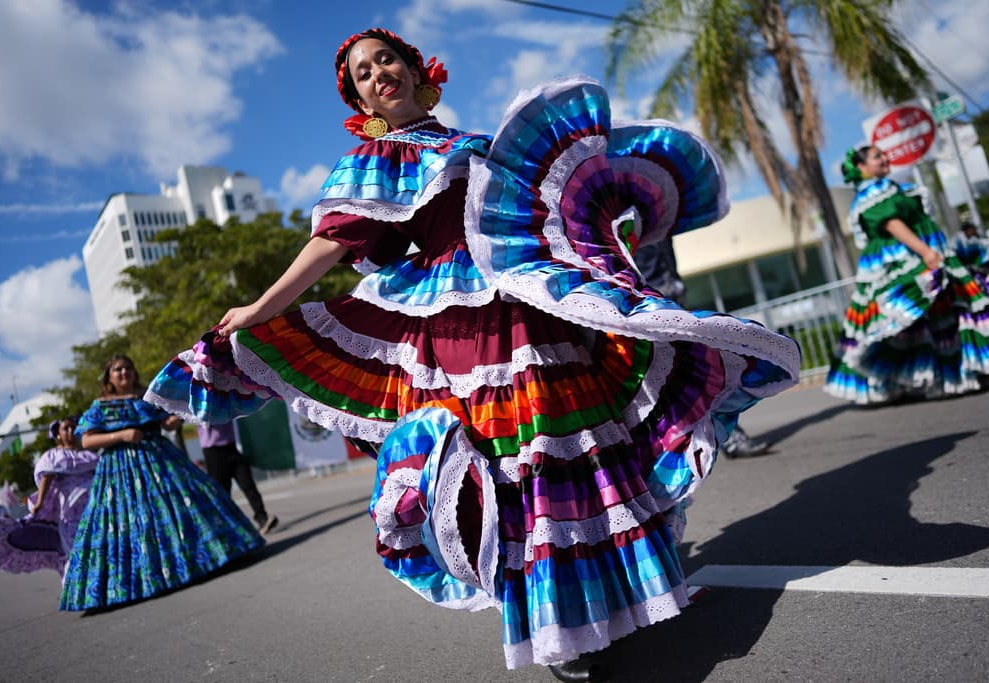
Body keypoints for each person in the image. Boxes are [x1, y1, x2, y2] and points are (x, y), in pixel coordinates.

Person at [146, 29, 799, 681]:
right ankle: (557, 622)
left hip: (529, 302)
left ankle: (629, 586)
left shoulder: (477, 145)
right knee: (510, 459)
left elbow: (550, 208)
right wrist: (259, 309)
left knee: (581, 445)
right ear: (362, 100)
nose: (379, 74)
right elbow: (334, 244)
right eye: (363, 73)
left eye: (386, 60)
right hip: (458, 325)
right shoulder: (377, 158)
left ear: (414, 69)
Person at [58, 355, 264, 611]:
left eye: (128, 368)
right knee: (131, 523)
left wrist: (174, 419)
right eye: (118, 370)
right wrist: (121, 435)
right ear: (109, 377)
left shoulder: (147, 396)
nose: (124, 373)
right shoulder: (100, 406)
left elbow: (165, 421)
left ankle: (204, 559)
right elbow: (87, 440)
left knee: (185, 505)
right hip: (119, 470)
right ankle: (134, 583)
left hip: (160, 460)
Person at [825, 146, 989, 403]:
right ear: (861, 167)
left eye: (883, 154)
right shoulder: (872, 194)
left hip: (927, 252)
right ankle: (909, 377)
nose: (885, 158)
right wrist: (925, 252)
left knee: (948, 314)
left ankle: (959, 371)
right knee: (908, 319)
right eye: (877, 157)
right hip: (905, 259)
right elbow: (892, 224)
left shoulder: (894, 188)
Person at [634, 239, 772, 458]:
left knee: (705, 375)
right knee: (680, 384)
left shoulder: (657, 216)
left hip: (674, 311)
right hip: (652, 318)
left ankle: (726, 438)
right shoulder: (625, 220)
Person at [0, 417, 99, 577]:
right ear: (58, 434)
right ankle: (80, 590)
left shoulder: (88, 455)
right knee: (75, 548)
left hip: (92, 508)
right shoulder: (54, 456)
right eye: (66, 428)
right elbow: (46, 477)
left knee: (96, 544)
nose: (71, 432)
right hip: (70, 513)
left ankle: (100, 587)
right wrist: (39, 503)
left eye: (74, 428)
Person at [197, 421, 278, 535]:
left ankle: (262, 518)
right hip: (213, 451)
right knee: (222, 493)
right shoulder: (198, 404)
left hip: (232, 446)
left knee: (248, 484)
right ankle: (229, 528)